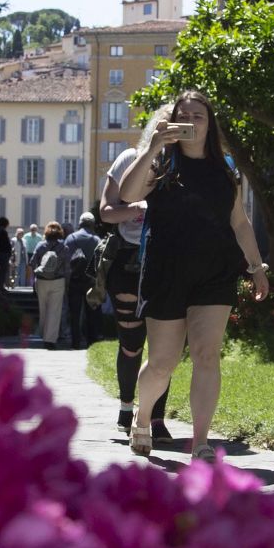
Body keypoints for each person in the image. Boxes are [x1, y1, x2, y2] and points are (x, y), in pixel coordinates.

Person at [121, 91, 269, 459]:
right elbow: (127, 193)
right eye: (182, 115)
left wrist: (256, 267)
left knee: (207, 354)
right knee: (162, 363)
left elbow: (239, 221)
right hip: (166, 272)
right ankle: (142, 418)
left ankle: (200, 441)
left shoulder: (225, 169)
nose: (190, 120)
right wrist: (154, 144)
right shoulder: (159, 165)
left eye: (198, 115)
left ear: (210, 123)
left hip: (215, 272)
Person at [99, 148, 171, 448]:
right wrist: (136, 208)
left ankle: (155, 417)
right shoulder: (129, 159)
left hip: (165, 259)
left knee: (162, 346)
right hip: (127, 261)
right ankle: (127, 405)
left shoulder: (181, 166)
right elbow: (106, 211)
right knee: (131, 344)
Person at [63, 212, 103, 348]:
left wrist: (66, 281)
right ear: (92, 224)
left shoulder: (70, 238)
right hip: (91, 281)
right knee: (92, 313)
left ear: (79, 223)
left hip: (74, 280)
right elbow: (100, 263)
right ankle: (92, 342)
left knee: (74, 313)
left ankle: (75, 342)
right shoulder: (96, 239)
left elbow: (66, 262)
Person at [32, 219, 70, 347]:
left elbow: (32, 263)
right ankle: (50, 339)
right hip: (58, 281)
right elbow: (67, 268)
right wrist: (67, 283)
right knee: (55, 311)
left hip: (42, 280)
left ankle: (44, 334)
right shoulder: (64, 248)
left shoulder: (40, 246)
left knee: (43, 310)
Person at [0, 215, 14, 287]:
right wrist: (9, 252)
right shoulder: (3, 232)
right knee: (3, 269)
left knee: (1, 269)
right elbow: (6, 244)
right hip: (4, 253)